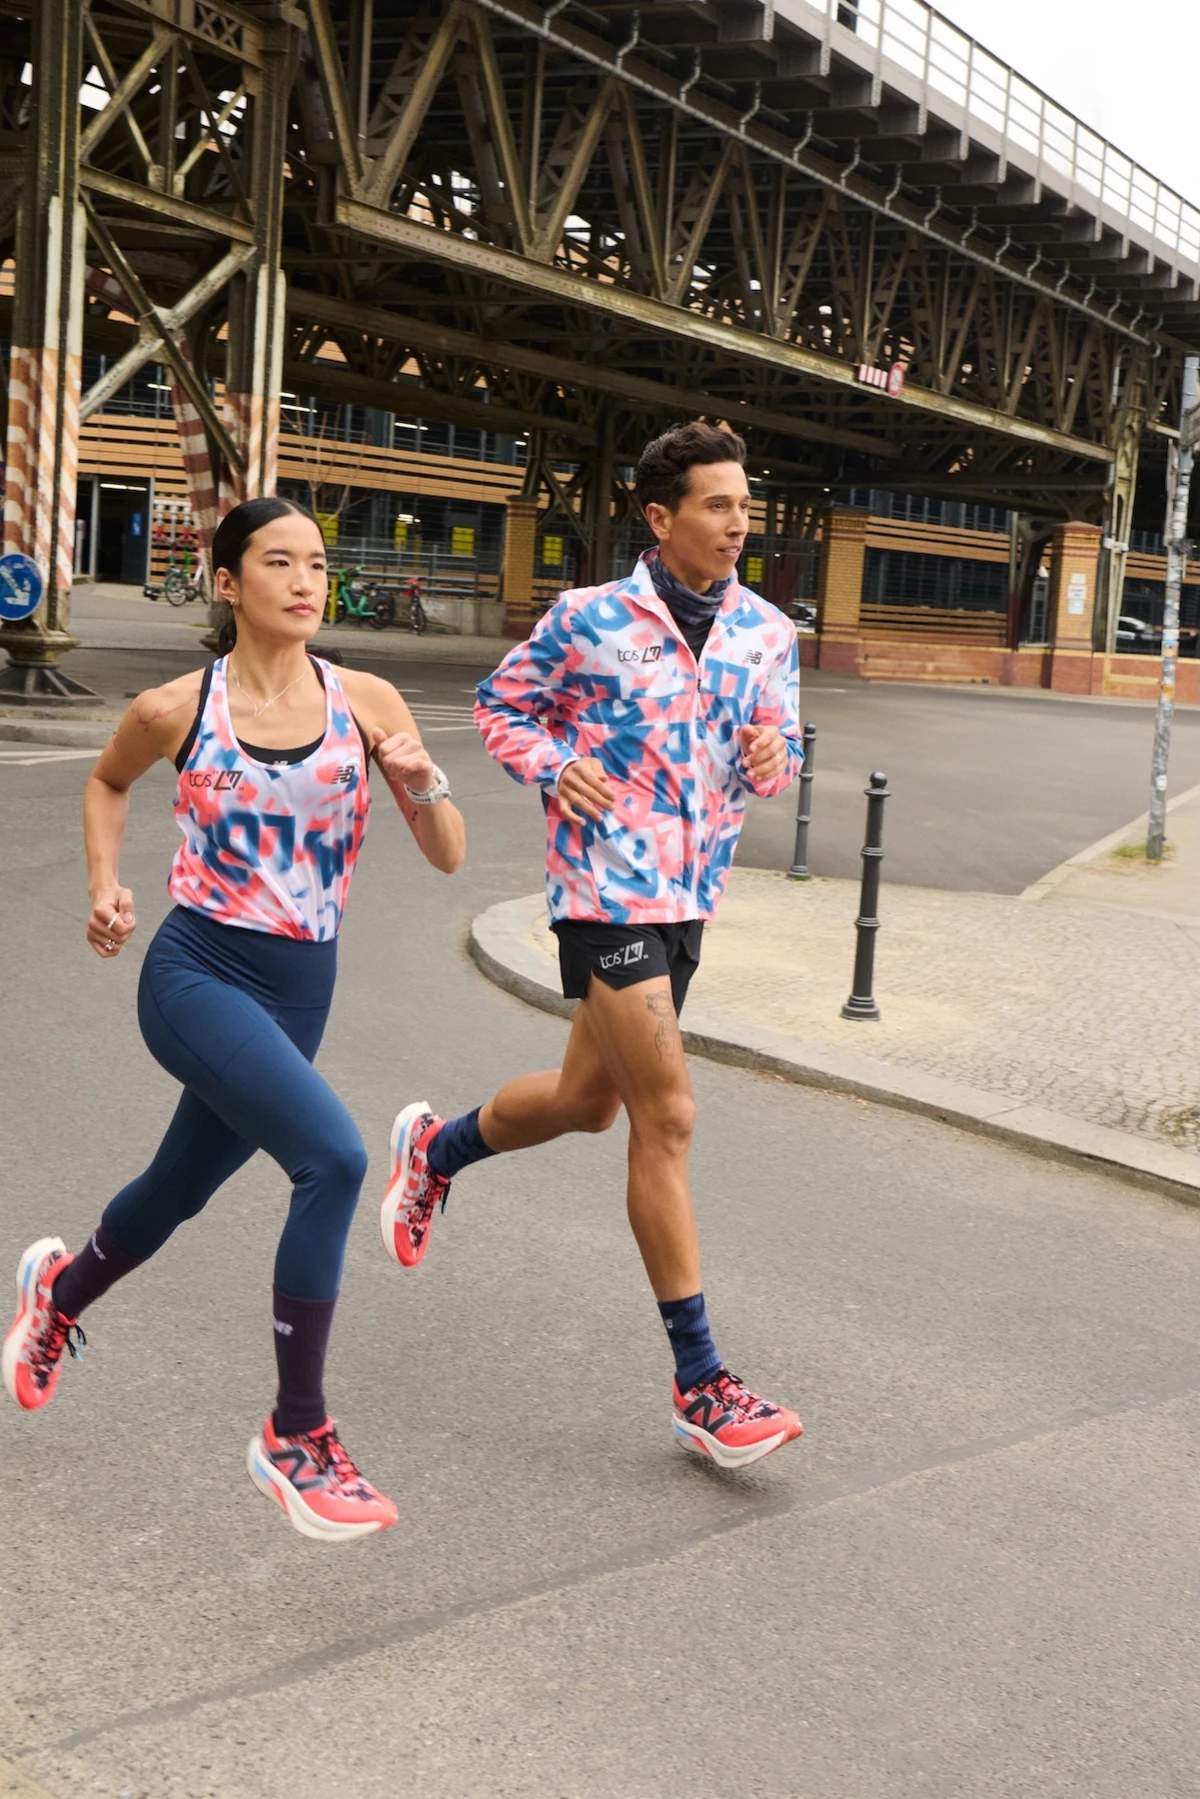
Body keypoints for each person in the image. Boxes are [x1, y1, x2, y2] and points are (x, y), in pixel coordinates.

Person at [2, 496, 465, 1542]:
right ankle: (296, 1432)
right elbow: (108, 780)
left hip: (303, 988)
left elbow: (447, 853)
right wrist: (105, 886)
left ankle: (58, 1294)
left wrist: (422, 779)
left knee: (174, 1191)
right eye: (278, 562)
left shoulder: (368, 699)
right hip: (196, 972)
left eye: (316, 564)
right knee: (337, 1159)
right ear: (226, 582)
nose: (307, 581)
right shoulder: (178, 707)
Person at [378, 421, 805, 1469]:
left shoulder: (766, 633)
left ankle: (434, 1150)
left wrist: (767, 751)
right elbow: (501, 707)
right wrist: (553, 764)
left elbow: (779, 760)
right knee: (667, 1113)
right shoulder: (590, 619)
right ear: (661, 519)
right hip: (606, 886)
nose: (738, 521)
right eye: (718, 504)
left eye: (745, 504)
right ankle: (702, 1381)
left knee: (588, 1101)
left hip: (690, 894)